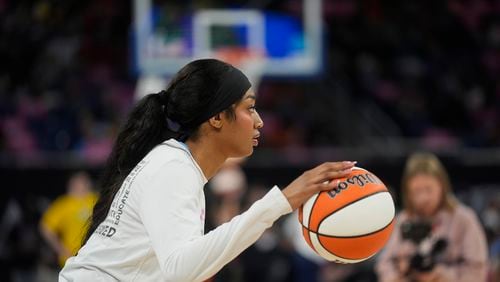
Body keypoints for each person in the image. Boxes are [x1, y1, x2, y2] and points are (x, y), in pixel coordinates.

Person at [59, 59, 356, 281]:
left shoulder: (176, 165)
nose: (260, 121)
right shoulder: (173, 167)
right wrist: (280, 202)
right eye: (249, 108)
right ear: (216, 118)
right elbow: (181, 270)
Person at [376, 152, 488, 282]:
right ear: (407, 193)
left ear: (442, 186)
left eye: (428, 189)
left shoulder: (464, 219)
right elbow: (384, 264)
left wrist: (440, 275)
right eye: (416, 191)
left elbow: (477, 269)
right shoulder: (403, 220)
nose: (423, 198)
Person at [40, 171, 97, 268]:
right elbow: (45, 228)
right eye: (80, 182)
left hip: (94, 258)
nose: (85, 185)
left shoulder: (95, 199)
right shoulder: (63, 204)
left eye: (86, 182)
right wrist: (61, 249)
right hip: (71, 259)